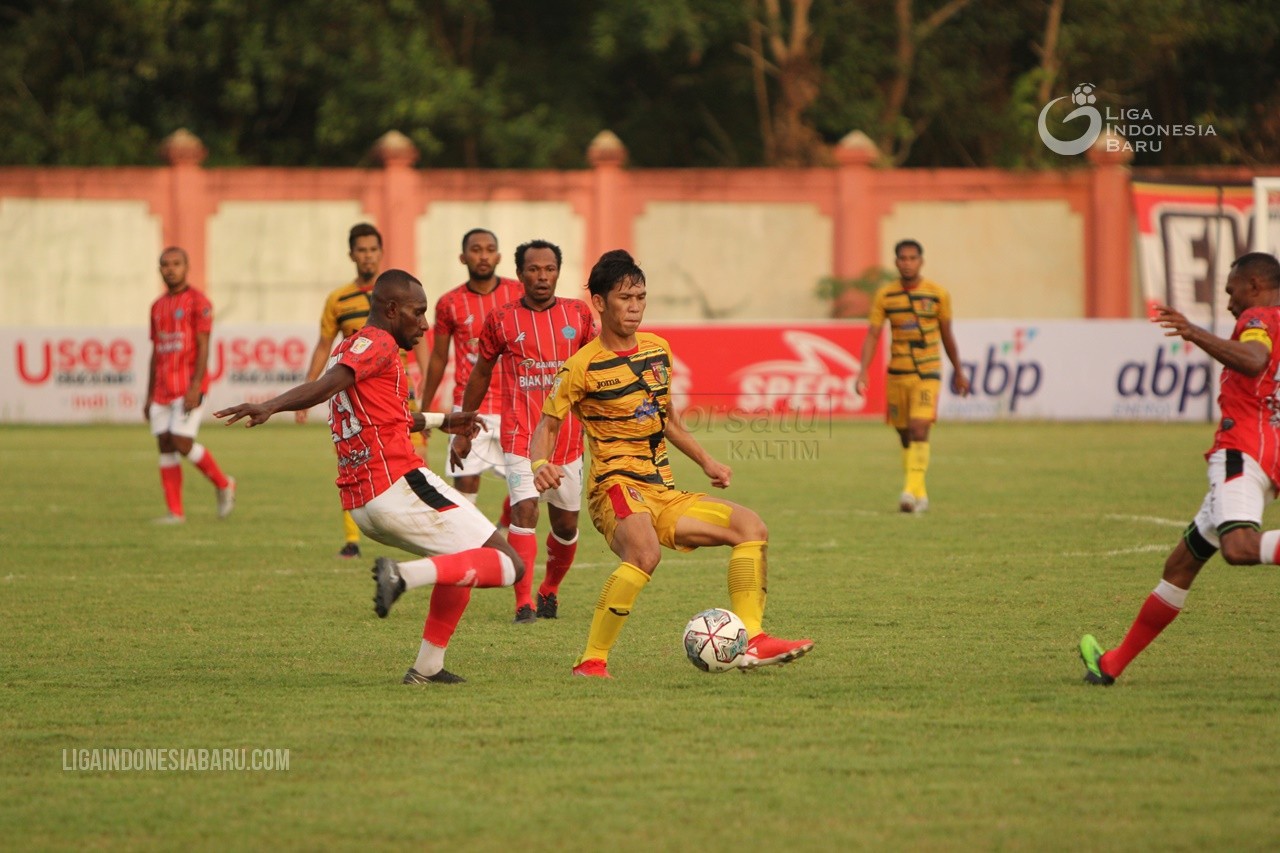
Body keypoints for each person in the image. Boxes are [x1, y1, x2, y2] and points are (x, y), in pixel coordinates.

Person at [216, 270, 525, 685]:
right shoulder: (377, 343)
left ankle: (427, 667)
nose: (425, 324)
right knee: (510, 564)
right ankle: (402, 576)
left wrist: (447, 420)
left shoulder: (355, 347)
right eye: (417, 313)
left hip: (364, 503)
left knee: (459, 560)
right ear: (392, 310)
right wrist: (270, 405)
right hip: (397, 483)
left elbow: (390, 417)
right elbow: (327, 386)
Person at [529, 249, 814, 679]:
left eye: (641, 296)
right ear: (601, 303)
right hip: (615, 489)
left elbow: (667, 421)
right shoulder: (580, 367)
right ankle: (591, 661)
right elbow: (547, 425)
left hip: (662, 490)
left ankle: (751, 640)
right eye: (625, 298)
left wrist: (707, 461)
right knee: (644, 553)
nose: (635, 306)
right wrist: (539, 464)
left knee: (750, 528)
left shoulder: (659, 350)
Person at [1080, 252, 1280, 686]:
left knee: (1239, 548)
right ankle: (1112, 664)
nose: (1229, 303)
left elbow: (1253, 359)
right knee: (1180, 566)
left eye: (1232, 292)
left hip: (1242, 448)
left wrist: (1192, 332)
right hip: (1266, 447)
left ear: (1256, 286)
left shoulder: (1261, 317)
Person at [456, 239, 597, 623]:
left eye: (549, 269)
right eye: (533, 269)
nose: (542, 276)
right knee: (524, 510)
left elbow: (596, 368)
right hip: (520, 434)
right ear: (519, 275)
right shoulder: (501, 319)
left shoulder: (578, 315)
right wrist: (465, 424)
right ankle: (523, 604)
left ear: (558, 272)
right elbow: (481, 372)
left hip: (567, 439)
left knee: (566, 526)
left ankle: (548, 589)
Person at [298, 223, 431, 559]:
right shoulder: (338, 300)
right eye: (362, 250)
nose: (367, 256)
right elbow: (324, 346)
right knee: (357, 462)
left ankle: (421, 532)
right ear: (352, 254)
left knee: (416, 463)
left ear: (380, 253)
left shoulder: (400, 295)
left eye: (373, 250)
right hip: (361, 400)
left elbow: (424, 351)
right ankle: (352, 540)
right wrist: (307, 390)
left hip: (402, 395)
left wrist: (428, 395)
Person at [855, 239, 970, 513]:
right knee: (905, 435)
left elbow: (947, 334)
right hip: (898, 374)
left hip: (927, 373)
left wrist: (958, 370)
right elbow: (873, 334)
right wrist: (862, 371)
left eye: (912, 258)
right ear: (896, 262)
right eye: (902, 258)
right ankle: (920, 492)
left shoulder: (937, 294)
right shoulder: (886, 296)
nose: (907, 263)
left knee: (920, 428)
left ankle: (908, 492)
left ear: (921, 261)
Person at [419, 228, 521, 527]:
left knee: (530, 488)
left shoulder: (518, 294)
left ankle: (502, 529)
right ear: (463, 257)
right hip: (470, 407)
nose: (483, 255)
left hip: (515, 406)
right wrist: (426, 408)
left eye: (489, 249)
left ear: (499, 256)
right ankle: (469, 554)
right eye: (476, 249)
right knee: (465, 489)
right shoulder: (449, 302)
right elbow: (438, 358)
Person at [144, 246, 236, 523]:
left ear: (187, 267)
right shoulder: (157, 306)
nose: (170, 269)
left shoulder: (199, 302)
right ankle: (175, 512)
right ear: (159, 269)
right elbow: (156, 350)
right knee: (164, 443)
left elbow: (203, 346)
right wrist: (148, 395)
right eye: (165, 264)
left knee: (181, 441)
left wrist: (196, 386)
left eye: (176, 264)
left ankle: (223, 484)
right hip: (161, 388)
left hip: (188, 386)